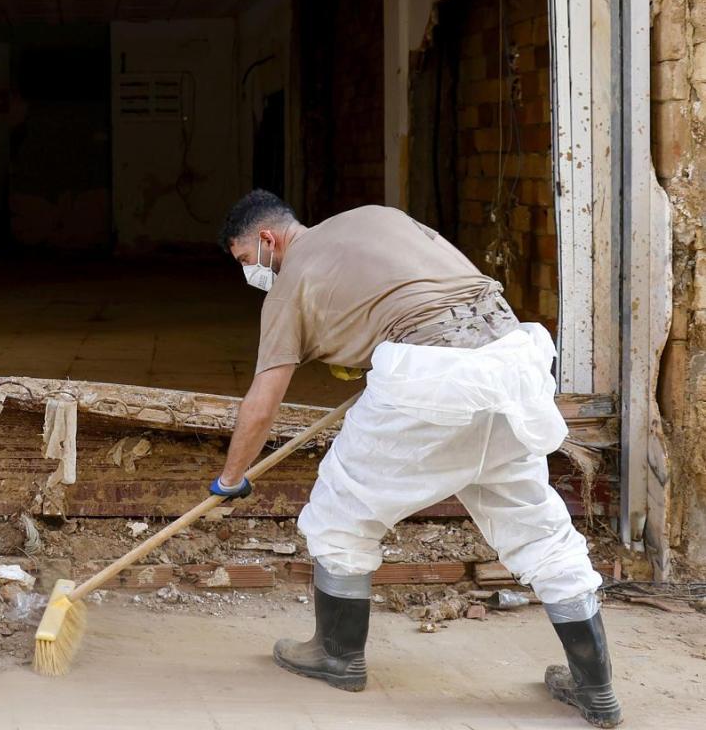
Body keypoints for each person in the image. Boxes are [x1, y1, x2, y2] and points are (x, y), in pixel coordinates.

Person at [211, 190, 619, 728]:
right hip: (511, 363)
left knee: (339, 517)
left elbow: (263, 402)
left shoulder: (289, 286)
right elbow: (421, 292)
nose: (251, 272)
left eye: (245, 260)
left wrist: (230, 479)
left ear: (267, 239)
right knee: (537, 528)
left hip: (429, 382)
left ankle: (337, 656)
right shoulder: (374, 215)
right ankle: (596, 687)